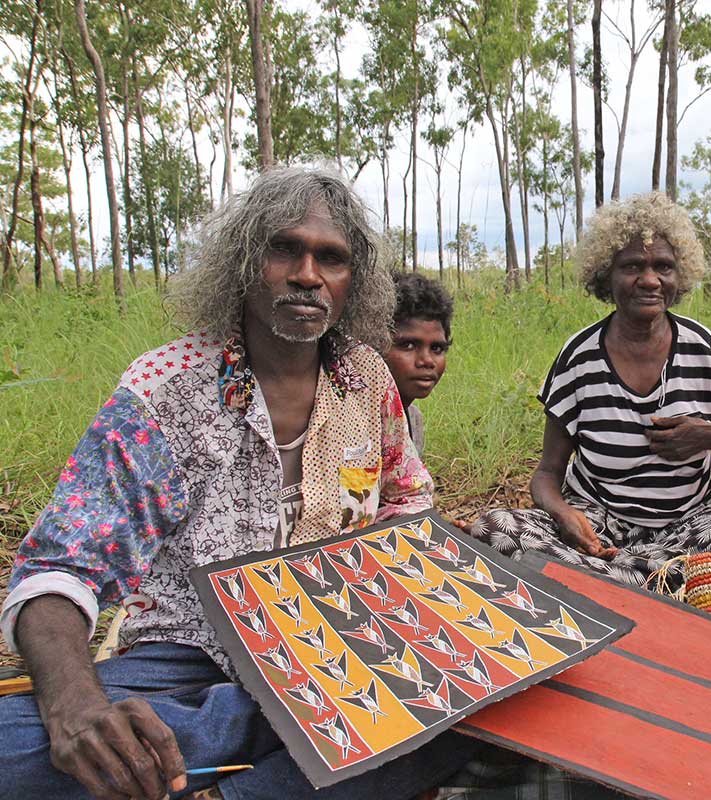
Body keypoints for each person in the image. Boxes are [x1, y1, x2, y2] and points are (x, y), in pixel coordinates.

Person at [0, 168, 476, 800]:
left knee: (471, 707)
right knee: (26, 746)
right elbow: (59, 567)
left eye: (331, 259)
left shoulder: (365, 379)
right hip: (189, 655)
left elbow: (407, 496)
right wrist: (75, 709)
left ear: (353, 282)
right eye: (285, 249)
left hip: (337, 643)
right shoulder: (166, 389)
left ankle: (230, 763)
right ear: (244, 261)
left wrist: (367, 604)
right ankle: (271, 746)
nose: (307, 275)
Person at [470, 192, 711, 588]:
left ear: (678, 276)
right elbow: (546, 474)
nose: (649, 280)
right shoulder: (579, 357)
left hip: (692, 523)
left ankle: (612, 583)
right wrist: (564, 514)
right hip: (599, 523)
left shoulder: (702, 347)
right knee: (492, 528)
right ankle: (664, 581)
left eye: (663, 267)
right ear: (606, 276)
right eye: (632, 266)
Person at [382, 271, 454, 456]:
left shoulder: (413, 419)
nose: (427, 361)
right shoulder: (352, 422)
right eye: (408, 345)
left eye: (437, 348)